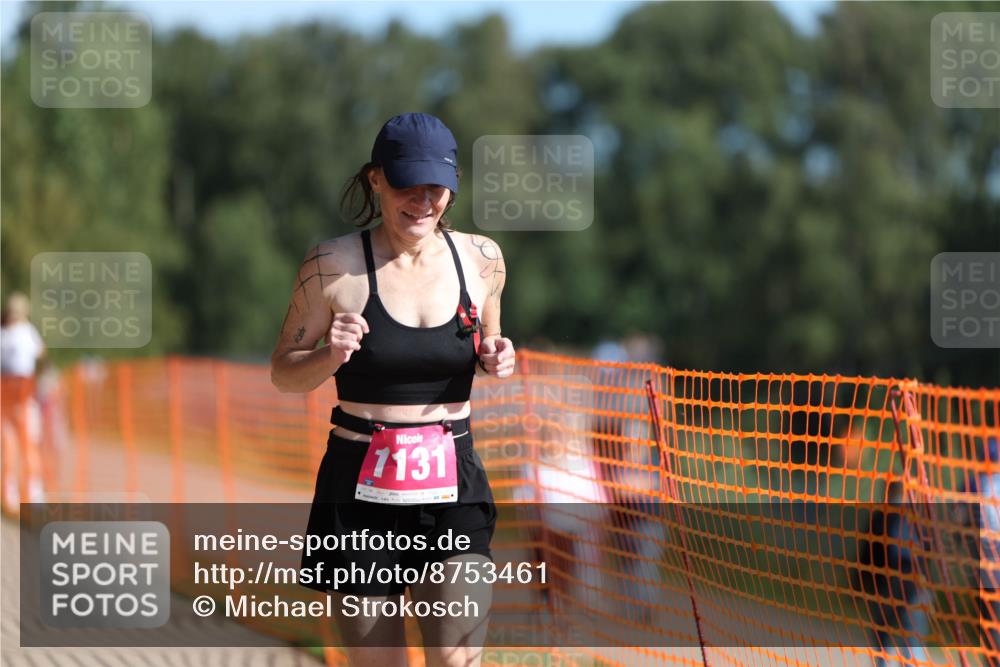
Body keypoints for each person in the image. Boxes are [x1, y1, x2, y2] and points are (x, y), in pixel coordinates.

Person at [270, 112, 515, 667]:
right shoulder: (331, 265)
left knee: (457, 661)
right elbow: (283, 371)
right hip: (358, 488)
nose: (423, 201)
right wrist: (329, 355)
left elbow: (489, 346)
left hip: (452, 479)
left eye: (437, 188)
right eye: (408, 185)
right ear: (376, 178)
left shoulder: (483, 260)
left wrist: (498, 357)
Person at [1, 292, 46, 509]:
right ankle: (34, 493)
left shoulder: (3, 334)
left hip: (5, 394)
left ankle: (9, 493)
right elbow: (40, 352)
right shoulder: (26, 331)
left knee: (8, 443)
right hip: (22, 391)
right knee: (28, 444)